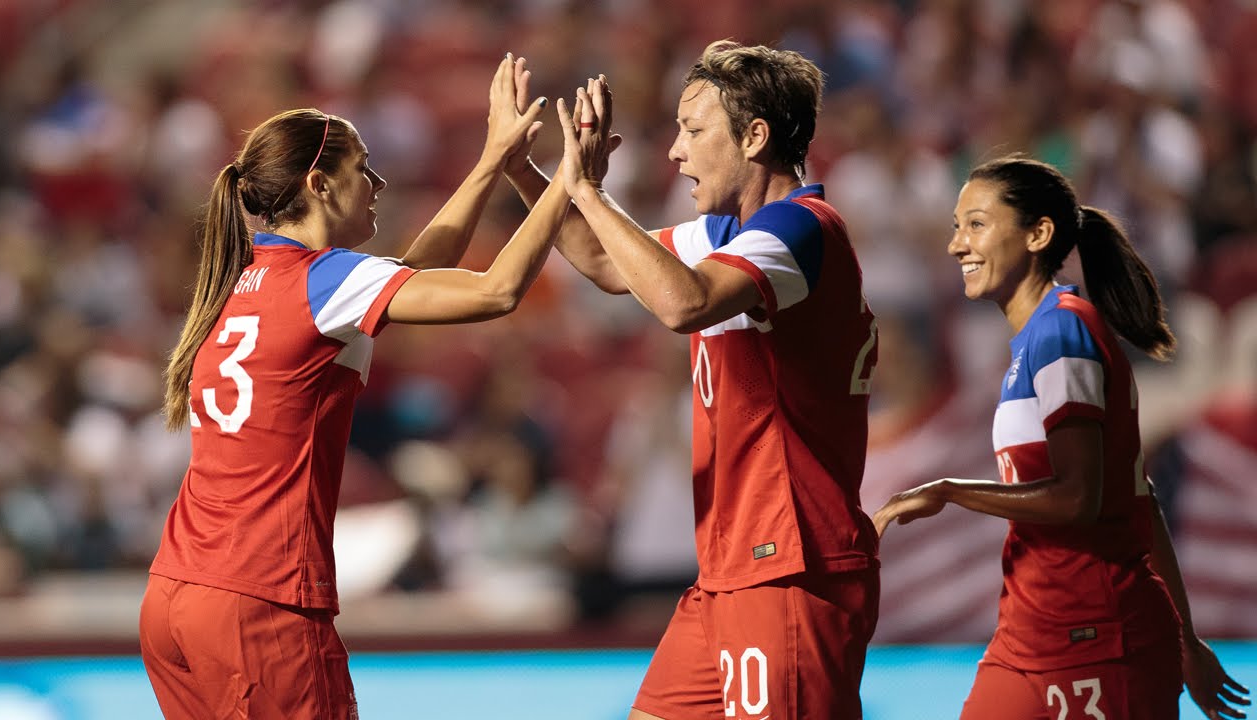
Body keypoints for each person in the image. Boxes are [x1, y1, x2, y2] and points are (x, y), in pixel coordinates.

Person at [138, 54, 599, 719]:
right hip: (259, 601)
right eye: (365, 170)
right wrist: (570, 180)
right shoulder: (326, 280)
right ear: (320, 185)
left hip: (177, 596)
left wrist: (495, 158)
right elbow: (495, 291)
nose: (379, 184)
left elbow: (414, 273)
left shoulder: (244, 283)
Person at [506, 41, 881, 719]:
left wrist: (587, 187)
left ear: (755, 136)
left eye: (694, 130)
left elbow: (683, 304)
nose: (675, 152)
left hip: (792, 563)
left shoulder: (800, 229)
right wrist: (525, 172)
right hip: (732, 568)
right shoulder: (730, 235)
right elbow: (603, 259)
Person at [872, 155, 1250, 719]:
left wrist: (949, 491)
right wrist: (1185, 638)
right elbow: (1138, 496)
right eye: (956, 226)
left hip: (1094, 638)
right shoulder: (1039, 337)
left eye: (975, 224)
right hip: (1033, 635)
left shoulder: (1062, 332)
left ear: (1038, 233)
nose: (956, 245)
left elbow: (1079, 497)